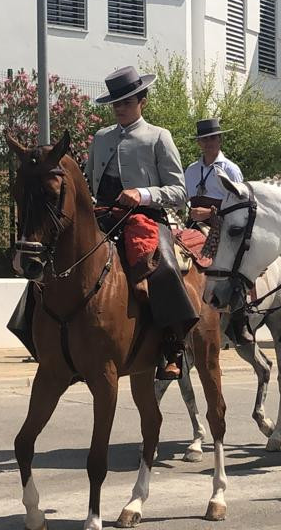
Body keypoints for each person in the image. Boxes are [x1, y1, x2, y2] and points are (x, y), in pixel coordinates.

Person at [87, 66, 198, 380]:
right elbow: (87, 179)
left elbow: (179, 192)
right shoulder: (101, 137)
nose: (120, 108)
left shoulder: (159, 137)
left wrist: (143, 194)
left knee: (159, 273)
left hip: (145, 219)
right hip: (103, 217)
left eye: (126, 102)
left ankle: (172, 346)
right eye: (116, 104)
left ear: (142, 101)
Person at [184, 118, 244, 224]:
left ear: (220, 139)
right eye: (204, 139)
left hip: (223, 230)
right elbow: (184, 200)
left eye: (212, 138)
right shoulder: (191, 170)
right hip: (194, 227)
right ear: (199, 143)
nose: (208, 142)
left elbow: (241, 207)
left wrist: (209, 213)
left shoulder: (230, 170)